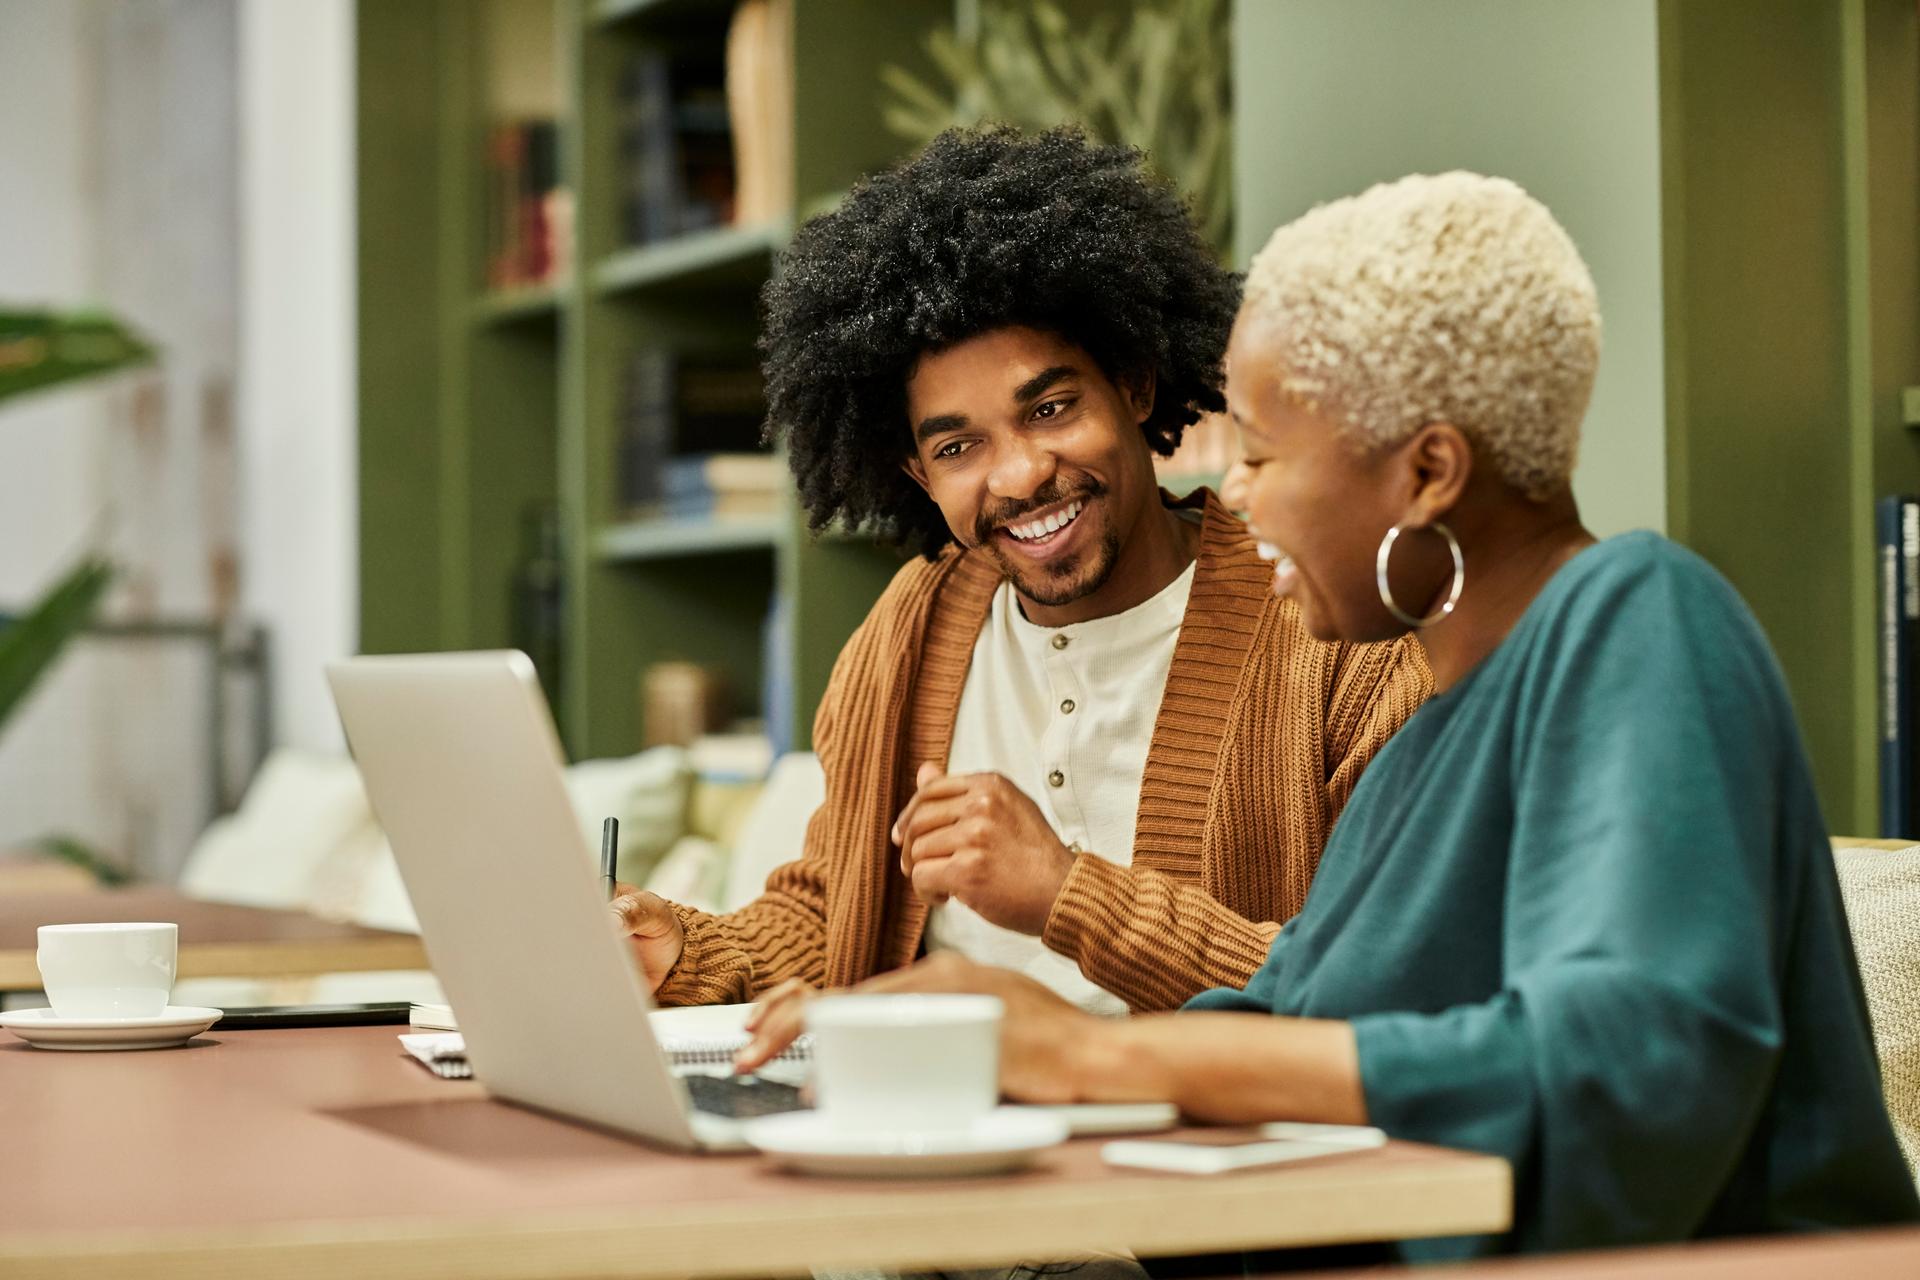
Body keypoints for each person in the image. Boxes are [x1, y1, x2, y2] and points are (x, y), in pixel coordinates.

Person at [743, 171, 1920, 1259]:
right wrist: (970, 1038)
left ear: (1425, 474)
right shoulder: (1431, 746)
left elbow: (1628, 1070)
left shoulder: (1639, 616)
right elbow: (1286, 1017)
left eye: (1262, 454)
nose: (1237, 499)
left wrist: (1089, 1048)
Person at [613, 127, 1428, 1018]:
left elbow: (1370, 986)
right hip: (942, 1122)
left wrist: (1064, 891)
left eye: (1050, 407)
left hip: (1191, 1135)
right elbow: (834, 912)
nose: (1019, 475)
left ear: (1136, 386)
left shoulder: (1333, 629)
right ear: (921, 478)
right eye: (959, 446)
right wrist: (688, 951)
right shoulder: (911, 631)